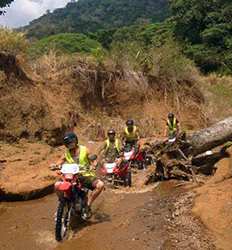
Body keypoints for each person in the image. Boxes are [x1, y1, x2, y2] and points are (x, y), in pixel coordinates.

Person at [53, 132, 104, 218]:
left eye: (71, 142)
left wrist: (94, 164)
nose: (70, 145)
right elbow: (60, 161)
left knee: (100, 185)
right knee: (57, 185)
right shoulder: (66, 153)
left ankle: (88, 205)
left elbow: (92, 158)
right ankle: (62, 205)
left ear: (75, 141)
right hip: (70, 176)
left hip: (85, 175)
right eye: (67, 143)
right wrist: (55, 165)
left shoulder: (84, 149)